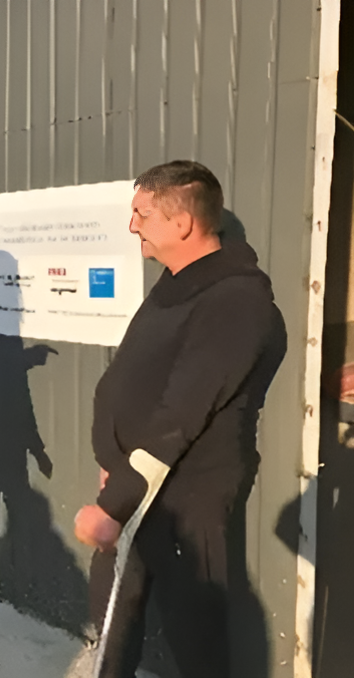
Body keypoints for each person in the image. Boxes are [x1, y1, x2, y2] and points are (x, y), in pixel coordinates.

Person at [73, 161, 287, 678]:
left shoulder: (238, 302)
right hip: (136, 488)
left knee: (197, 643)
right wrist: (112, 462)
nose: (132, 226)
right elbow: (132, 379)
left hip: (186, 505)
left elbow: (179, 416)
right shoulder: (174, 284)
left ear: (182, 223)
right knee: (113, 626)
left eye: (141, 214)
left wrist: (113, 503)